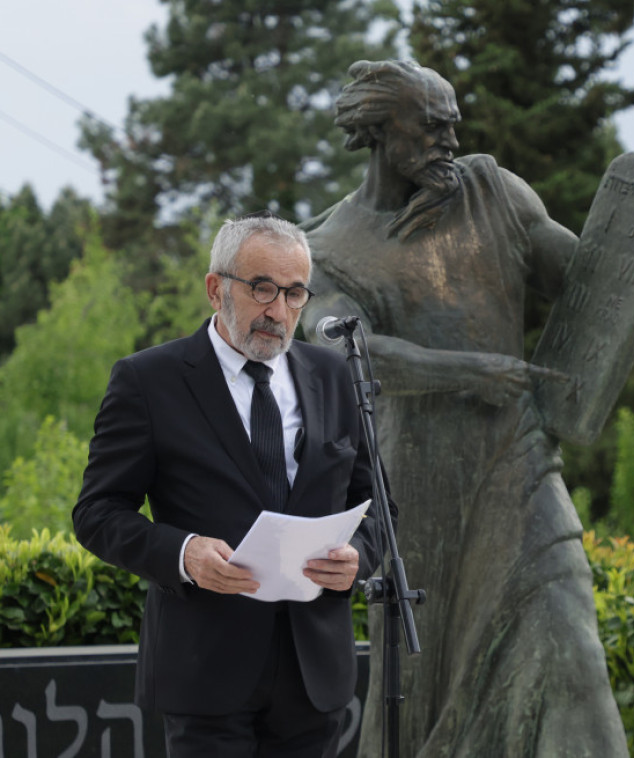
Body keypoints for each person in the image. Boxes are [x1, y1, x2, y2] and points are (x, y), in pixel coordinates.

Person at [300, 60, 634, 758]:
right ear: (379, 130)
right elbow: (347, 353)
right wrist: (471, 371)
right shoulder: (326, 247)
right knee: (419, 693)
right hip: (419, 499)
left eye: (453, 122)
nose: (450, 138)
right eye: (430, 125)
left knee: (567, 636)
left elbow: (588, 283)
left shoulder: (493, 191)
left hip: (519, 464)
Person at [73, 212, 395, 757]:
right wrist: (184, 553)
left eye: (294, 293)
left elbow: (379, 508)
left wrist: (358, 558)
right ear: (215, 288)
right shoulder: (148, 380)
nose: (279, 311)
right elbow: (97, 512)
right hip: (205, 670)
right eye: (262, 288)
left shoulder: (333, 376)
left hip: (314, 674)